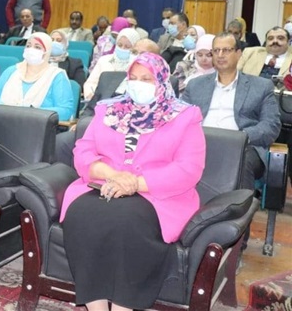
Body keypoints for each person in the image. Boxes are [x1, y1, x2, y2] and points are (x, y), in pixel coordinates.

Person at [61, 53, 205, 311]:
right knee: (81, 215)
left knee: (126, 222)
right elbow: (83, 152)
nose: (138, 84)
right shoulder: (107, 110)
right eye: (133, 78)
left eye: (146, 79)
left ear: (162, 81)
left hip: (155, 195)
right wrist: (113, 175)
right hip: (104, 185)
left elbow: (188, 169)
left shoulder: (185, 116)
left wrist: (135, 183)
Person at [181, 32, 280, 191]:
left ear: (238, 53)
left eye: (226, 50)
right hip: (200, 143)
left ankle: (237, 206)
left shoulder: (261, 86)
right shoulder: (195, 85)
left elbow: (271, 125)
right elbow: (180, 119)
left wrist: (240, 137)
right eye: (216, 50)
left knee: (241, 161)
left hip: (242, 146)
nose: (220, 55)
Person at [55, 39, 161, 167]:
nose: (136, 57)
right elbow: (90, 108)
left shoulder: (158, 86)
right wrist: (81, 123)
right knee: (62, 141)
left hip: (127, 134)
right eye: (134, 52)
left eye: (142, 54)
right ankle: (69, 176)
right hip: (94, 128)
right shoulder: (108, 77)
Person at [0, 32, 75, 121]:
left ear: (47, 51)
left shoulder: (56, 75)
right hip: (3, 123)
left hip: (38, 126)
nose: (31, 50)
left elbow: (65, 111)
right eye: (28, 46)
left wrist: (30, 113)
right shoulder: (11, 71)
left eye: (37, 47)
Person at [85, 28, 140, 100]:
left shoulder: (137, 65)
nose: (122, 49)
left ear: (134, 48)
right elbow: (91, 83)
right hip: (101, 100)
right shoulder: (104, 60)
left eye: (127, 47)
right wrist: (91, 95)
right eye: (119, 45)